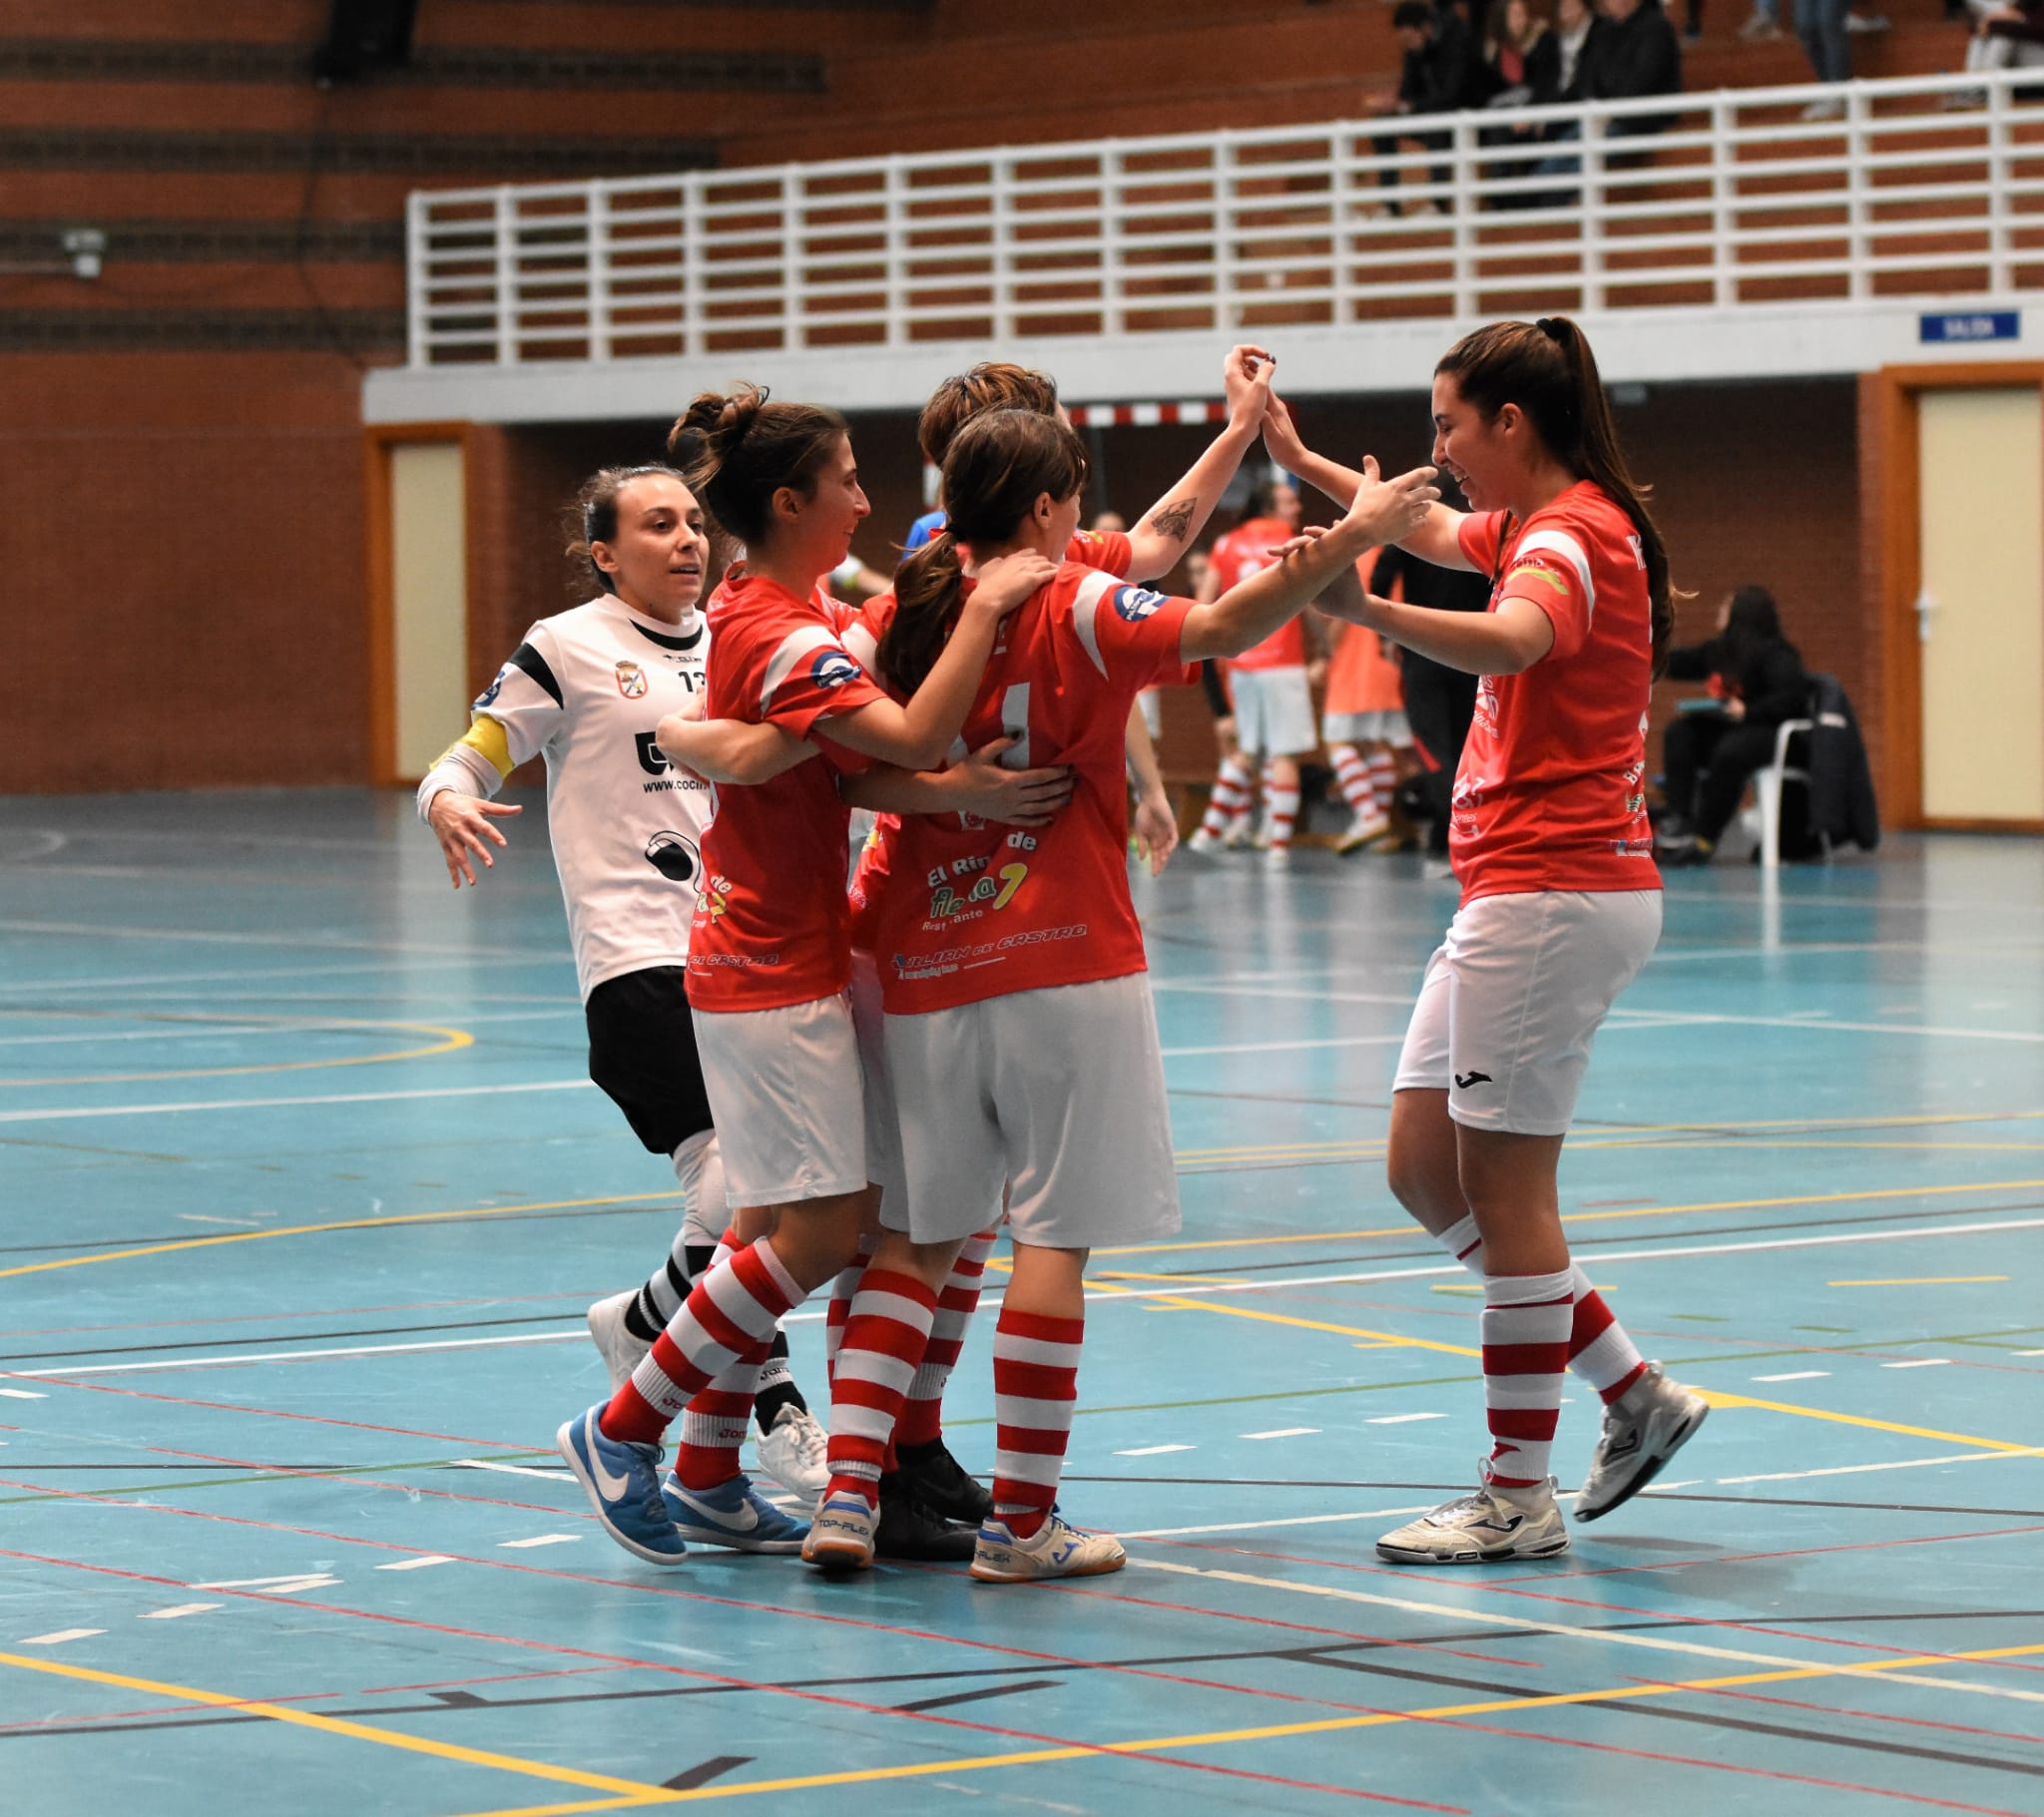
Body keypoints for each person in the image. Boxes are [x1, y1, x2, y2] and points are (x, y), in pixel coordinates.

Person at [790, 396, 1441, 1580]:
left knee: (914, 1242)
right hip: (1063, 953)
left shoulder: (895, 611)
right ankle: (1022, 1526)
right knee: (1054, 1237)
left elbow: (843, 775)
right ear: (1045, 508)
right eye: (1074, 498)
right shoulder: (1074, 599)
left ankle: (846, 1495)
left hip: (924, 964)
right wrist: (1358, 531)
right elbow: (1228, 620)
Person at [553, 386, 1057, 1568]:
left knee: (764, 1232)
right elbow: (905, 735)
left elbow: (853, 776)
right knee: (822, 1233)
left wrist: (950, 791)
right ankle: (619, 1427)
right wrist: (984, 608)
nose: (868, 500)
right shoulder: (780, 632)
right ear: (789, 503)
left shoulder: (790, 605)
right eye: (845, 479)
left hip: (766, 953)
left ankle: (711, 1469)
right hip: (767, 971)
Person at [1267, 316, 1709, 1565]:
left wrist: (1353, 604)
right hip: (1510, 897)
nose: (1439, 452)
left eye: (1448, 426)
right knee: (1422, 1168)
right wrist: (1303, 460)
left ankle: (1516, 1494)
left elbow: (1514, 639)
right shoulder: (1529, 523)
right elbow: (1421, 524)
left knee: (1505, 1193)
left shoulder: (1569, 539)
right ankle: (1633, 1394)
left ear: (1509, 424)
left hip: (1554, 895)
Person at [414, 465, 833, 1502]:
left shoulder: (741, 638)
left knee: (768, 1203)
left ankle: (642, 1323)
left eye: (694, 522)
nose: (687, 540)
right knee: (743, 1197)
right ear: (604, 553)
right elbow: (471, 754)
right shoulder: (568, 645)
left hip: (749, 957)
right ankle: (771, 1405)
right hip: (639, 964)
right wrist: (442, 799)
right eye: (658, 526)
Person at [1186, 481, 1320, 861]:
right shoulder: (1292, 541)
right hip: (1284, 663)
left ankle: (1209, 832)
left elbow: (1202, 604)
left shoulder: (1226, 543)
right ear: (1269, 505)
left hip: (1241, 664)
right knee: (1284, 756)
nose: (1296, 507)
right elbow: (1312, 603)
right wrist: (1323, 649)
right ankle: (1278, 844)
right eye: (1289, 501)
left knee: (1245, 749)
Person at [1656, 585, 1811, 865]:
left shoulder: (1778, 654)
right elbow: (1682, 663)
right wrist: (1647, 650)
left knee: (1731, 753)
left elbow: (1792, 698)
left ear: (1741, 614)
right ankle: (1680, 819)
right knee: (1681, 733)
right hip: (1733, 729)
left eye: (1726, 607)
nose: (1720, 612)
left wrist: (1750, 710)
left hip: (1769, 732)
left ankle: (1704, 837)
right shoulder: (1721, 651)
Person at [1319, 568, 1414, 851]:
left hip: (1353, 667)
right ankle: (1380, 827)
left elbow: (1336, 625)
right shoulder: (1394, 558)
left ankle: (1369, 817)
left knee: (1336, 743)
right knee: (1375, 745)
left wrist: (1323, 649)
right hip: (1389, 664)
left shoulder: (1352, 556)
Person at [1370, 0, 1491, 216]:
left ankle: (1439, 202)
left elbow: (1452, 94)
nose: (1407, 44)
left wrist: (1410, 104)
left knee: (1437, 122)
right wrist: (1394, 104)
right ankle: (1389, 205)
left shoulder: (1458, 37)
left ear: (1424, 28)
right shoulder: (1414, 49)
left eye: (1409, 38)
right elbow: (1408, 91)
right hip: (1430, 111)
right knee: (1382, 123)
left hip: (1468, 113)